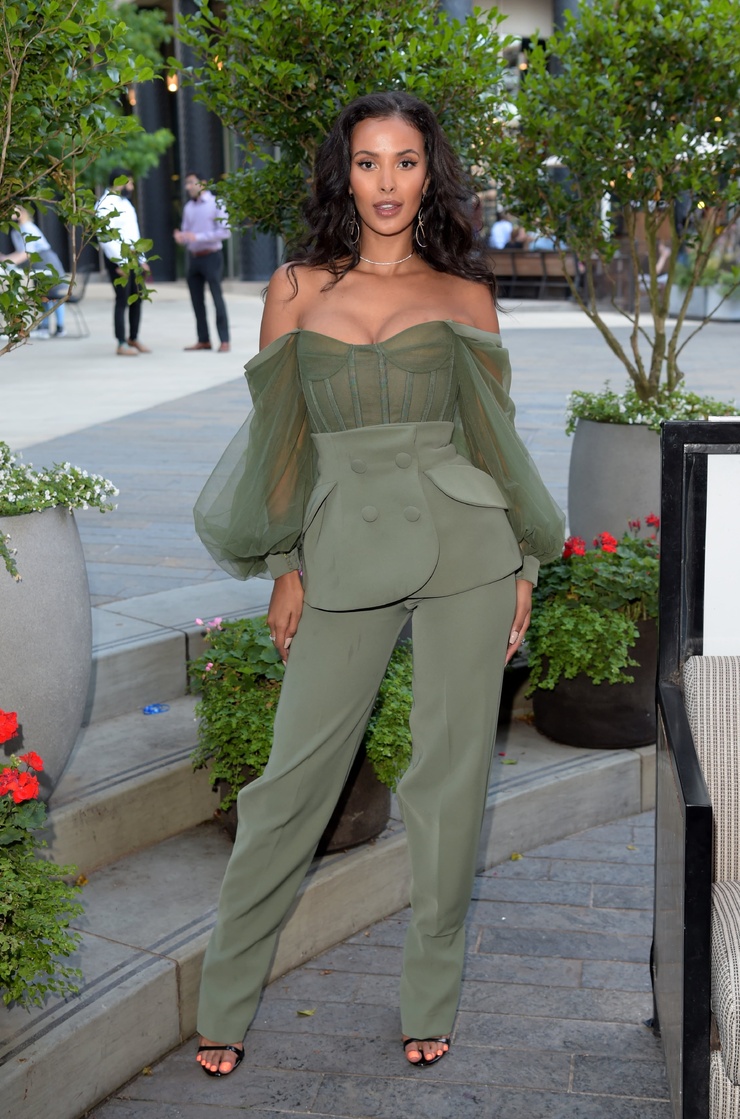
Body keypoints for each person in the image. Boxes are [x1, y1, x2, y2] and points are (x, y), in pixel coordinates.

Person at [192, 91, 564, 1078]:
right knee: (289, 786)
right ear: (343, 174)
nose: (387, 182)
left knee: (449, 784)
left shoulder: (464, 293)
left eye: (405, 162)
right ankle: (223, 1003)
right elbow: (280, 445)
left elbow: (494, 441)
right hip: (341, 552)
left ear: (429, 174)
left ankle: (428, 998)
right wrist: (284, 567)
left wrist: (525, 562)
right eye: (368, 162)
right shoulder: (295, 288)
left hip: (465, 545)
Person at [96, 168, 151, 356]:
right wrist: (121, 263)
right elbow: (105, 238)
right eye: (130, 182)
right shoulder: (105, 204)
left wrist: (142, 260)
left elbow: (134, 234)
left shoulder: (126, 203)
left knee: (137, 297)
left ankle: (133, 338)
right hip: (118, 261)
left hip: (134, 259)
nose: (132, 187)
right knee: (122, 300)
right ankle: (121, 343)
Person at [175, 172, 231, 353]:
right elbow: (187, 232)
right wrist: (182, 237)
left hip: (212, 256)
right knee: (196, 301)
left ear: (203, 184)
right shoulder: (188, 207)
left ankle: (224, 340)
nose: (188, 187)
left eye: (192, 182)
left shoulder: (216, 203)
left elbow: (225, 232)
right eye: (187, 183)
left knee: (217, 297)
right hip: (194, 257)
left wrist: (198, 237)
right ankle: (203, 340)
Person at [0, 205, 67, 338]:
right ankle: (44, 326)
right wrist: (5, 259)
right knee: (41, 295)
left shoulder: (27, 228)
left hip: (46, 262)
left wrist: (6, 260)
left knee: (54, 293)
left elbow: (27, 253)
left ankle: (60, 327)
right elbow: (20, 252)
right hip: (36, 266)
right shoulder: (16, 231)